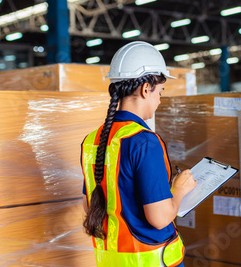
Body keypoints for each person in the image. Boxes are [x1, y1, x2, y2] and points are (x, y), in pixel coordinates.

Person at [81, 41, 197, 266]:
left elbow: (90, 205)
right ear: (146, 89)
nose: (160, 100)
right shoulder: (144, 142)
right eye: (160, 92)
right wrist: (178, 190)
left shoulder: (92, 141)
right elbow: (160, 218)